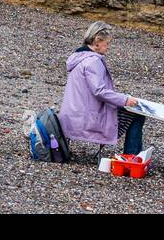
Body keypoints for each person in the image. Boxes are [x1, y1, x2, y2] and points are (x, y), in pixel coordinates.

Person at [58, 21, 145, 157]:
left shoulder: (79, 57)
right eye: (107, 43)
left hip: (71, 116)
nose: (108, 47)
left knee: (130, 110)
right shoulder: (93, 61)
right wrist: (125, 99)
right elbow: (99, 91)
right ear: (97, 41)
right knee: (137, 113)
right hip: (86, 119)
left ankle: (135, 155)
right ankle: (132, 157)